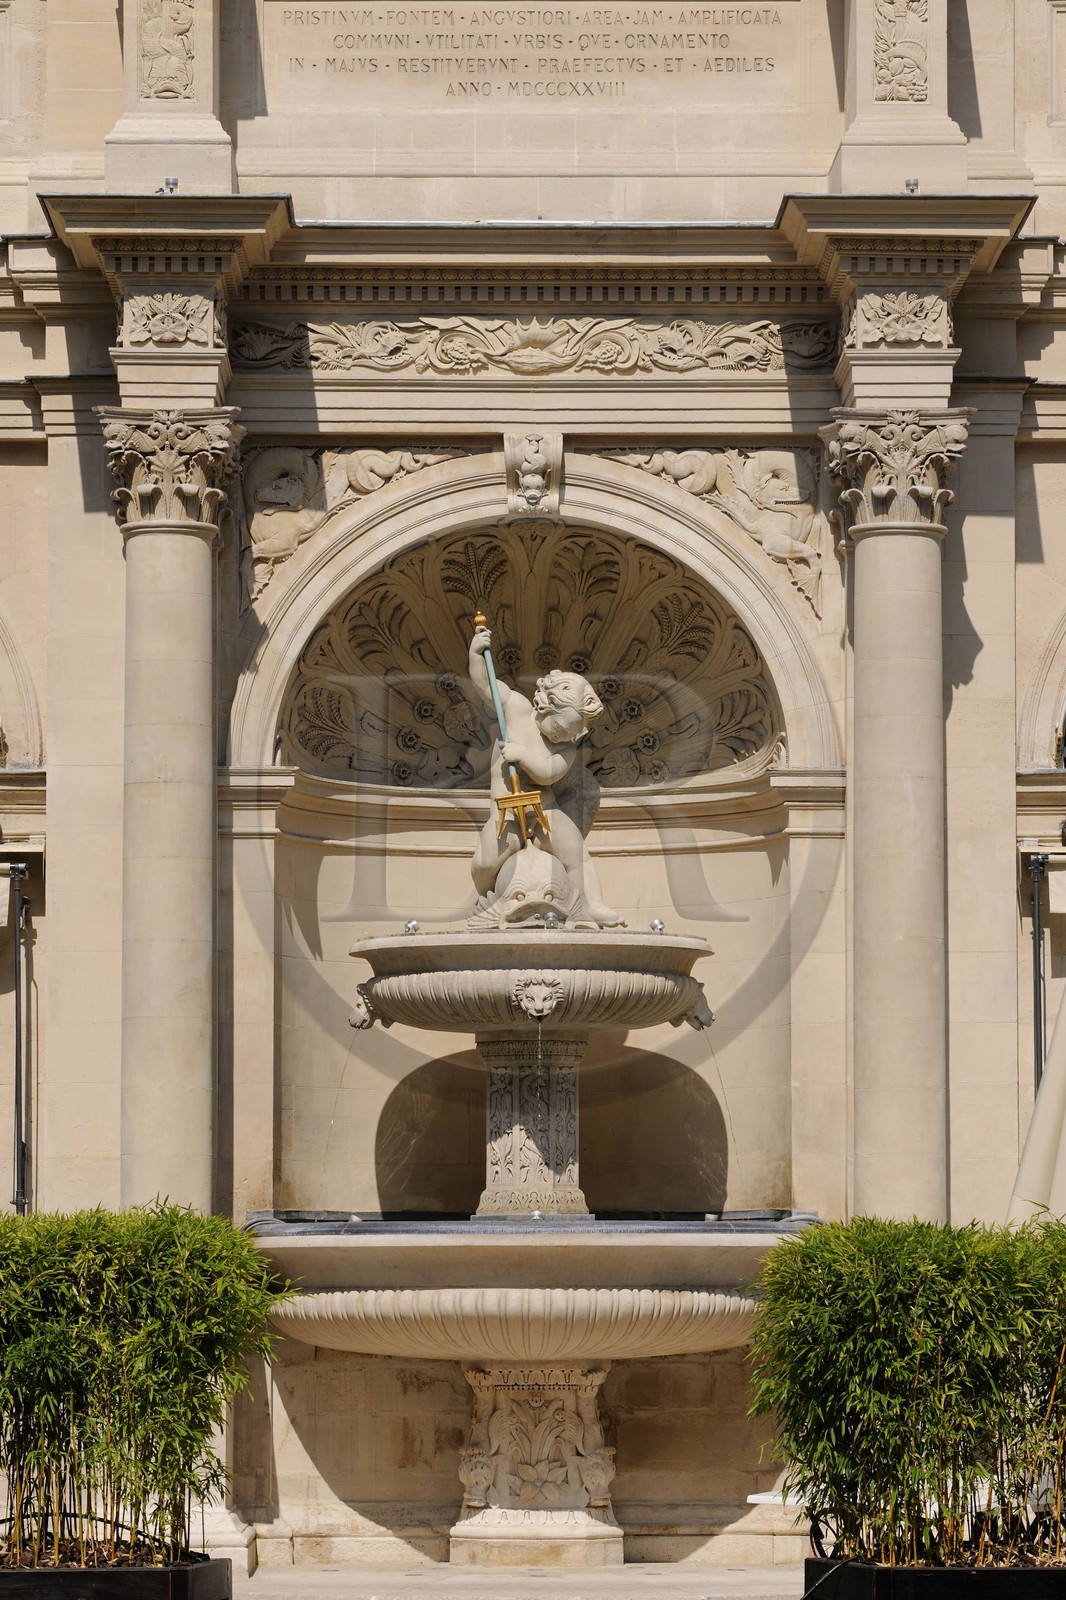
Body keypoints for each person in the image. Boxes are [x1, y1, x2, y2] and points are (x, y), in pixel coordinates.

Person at [467, 624, 624, 927]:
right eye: (563, 727)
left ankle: (592, 904)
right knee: (485, 861)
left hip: (545, 810)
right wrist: (477, 653)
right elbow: (487, 687)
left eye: (573, 734)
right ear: (548, 705)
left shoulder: (565, 749)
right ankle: (488, 898)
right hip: (507, 812)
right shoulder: (516, 709)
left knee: (575, 852)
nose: (566, 737)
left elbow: (548, 775)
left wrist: (522, 756)